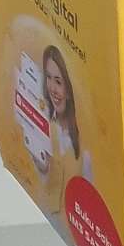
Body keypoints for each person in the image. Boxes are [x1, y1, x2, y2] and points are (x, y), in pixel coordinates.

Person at [36, 45, 92, 209]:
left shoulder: (84, 150)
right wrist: (42, 170)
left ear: (69, 89)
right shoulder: (42, 125)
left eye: (59, 81)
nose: (52, 88)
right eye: (48, 77)